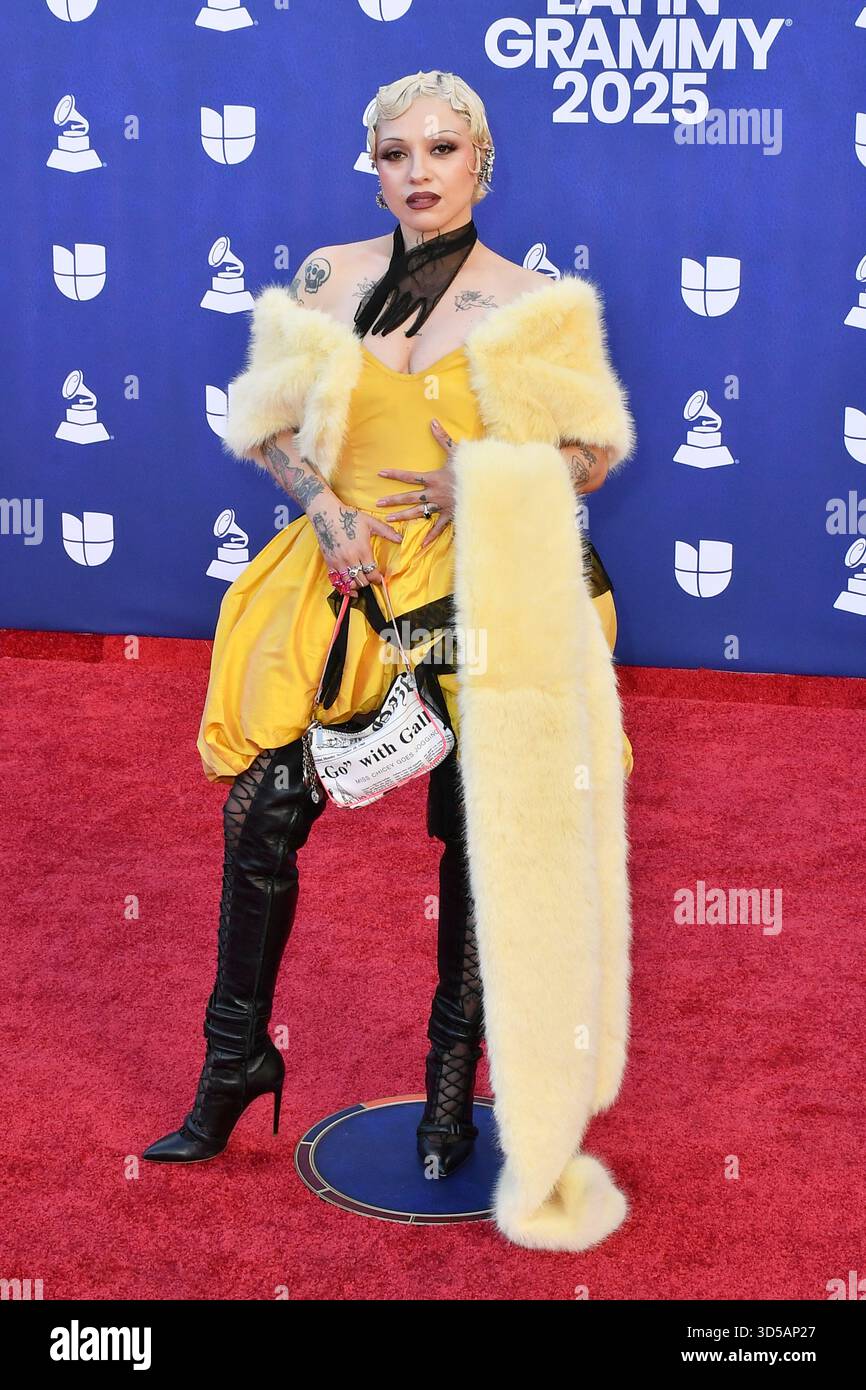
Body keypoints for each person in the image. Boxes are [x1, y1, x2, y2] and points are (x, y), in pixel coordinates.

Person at [142, 70, 636, 1251]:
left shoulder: (533, 304)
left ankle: (448, 1093)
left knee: (473, 837)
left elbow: (591, 457)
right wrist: (319, 504)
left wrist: (482, 477)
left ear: (482, 163)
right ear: (371, 164)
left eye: (444, 150)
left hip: (475, 588)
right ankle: (234, 1059)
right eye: (395, 152)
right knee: (261, 808)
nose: (418, 171)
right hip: (345, 574)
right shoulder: (326, 275)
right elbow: (267, 420)